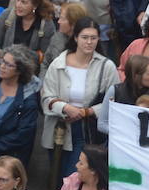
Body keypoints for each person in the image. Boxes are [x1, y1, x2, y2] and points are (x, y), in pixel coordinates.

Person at [42, 18, 118, 180]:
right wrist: (64, 107)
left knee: (74, 177)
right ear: (75, 38)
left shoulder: (107, 66)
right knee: (56, 176)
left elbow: (115, 101)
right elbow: (46, 97)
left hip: (87, 131)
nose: (89, 42)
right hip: (59, 128)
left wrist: (87, 111)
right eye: (84, 37)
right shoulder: (58, 64)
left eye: (93, 38)